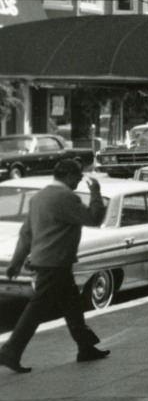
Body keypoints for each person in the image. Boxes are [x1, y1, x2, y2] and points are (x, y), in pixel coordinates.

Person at [1, 159, 110, 374]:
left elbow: (26, 233)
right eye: (78, 175)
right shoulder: (66, 197)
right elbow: (93, 218)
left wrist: (16, 262)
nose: (80, 179)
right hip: (55, 263)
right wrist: (96, 193)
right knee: (37, 308)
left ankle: (85, 347)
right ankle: (10, 351)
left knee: (72, 305)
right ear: (68, 175)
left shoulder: (39, 197)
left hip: (49, 262)